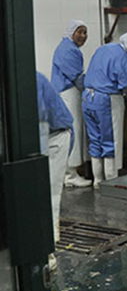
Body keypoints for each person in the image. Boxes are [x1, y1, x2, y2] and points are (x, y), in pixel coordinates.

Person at [83, 30, 127, 188]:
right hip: (106, 100)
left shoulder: (103, 48)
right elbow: (126, 87)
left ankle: (98, 180)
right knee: (110, 141)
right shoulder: (124, 58)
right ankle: (111, 181)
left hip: (87, 98)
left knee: (95, 140)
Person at [36, 72, 73, 270]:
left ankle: (47, 252)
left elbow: (40, 127)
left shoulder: (30, 81)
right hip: (36, 137)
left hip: (53, 138)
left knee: (46, 194)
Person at [51, 19, 92, 187]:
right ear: (71, 32)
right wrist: (93, 84)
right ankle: (70, 174)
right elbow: (77, 77)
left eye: (85, 32)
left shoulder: (68, 47)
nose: (83, 36)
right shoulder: (68, 50)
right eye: (79, 32)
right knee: (73, 130)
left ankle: (67, 173)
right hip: (68, 94)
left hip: (67, 93)